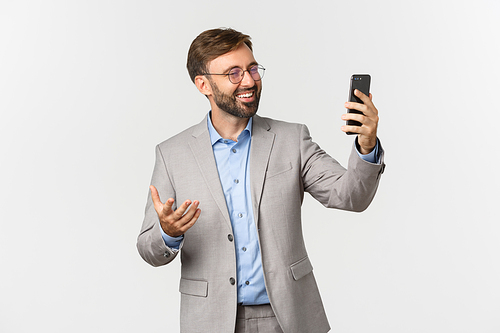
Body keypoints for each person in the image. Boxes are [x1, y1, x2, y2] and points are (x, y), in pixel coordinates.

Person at [137, 28, 385, 333]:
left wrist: (367, 145)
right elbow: (148, 249)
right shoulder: (172, 154)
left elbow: (351, 196)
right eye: (234, 73)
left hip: (289, 317)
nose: (250, 80)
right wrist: (167, 233)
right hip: (210, 320)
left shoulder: (292, 139)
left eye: (253, 68)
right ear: (204, 84)